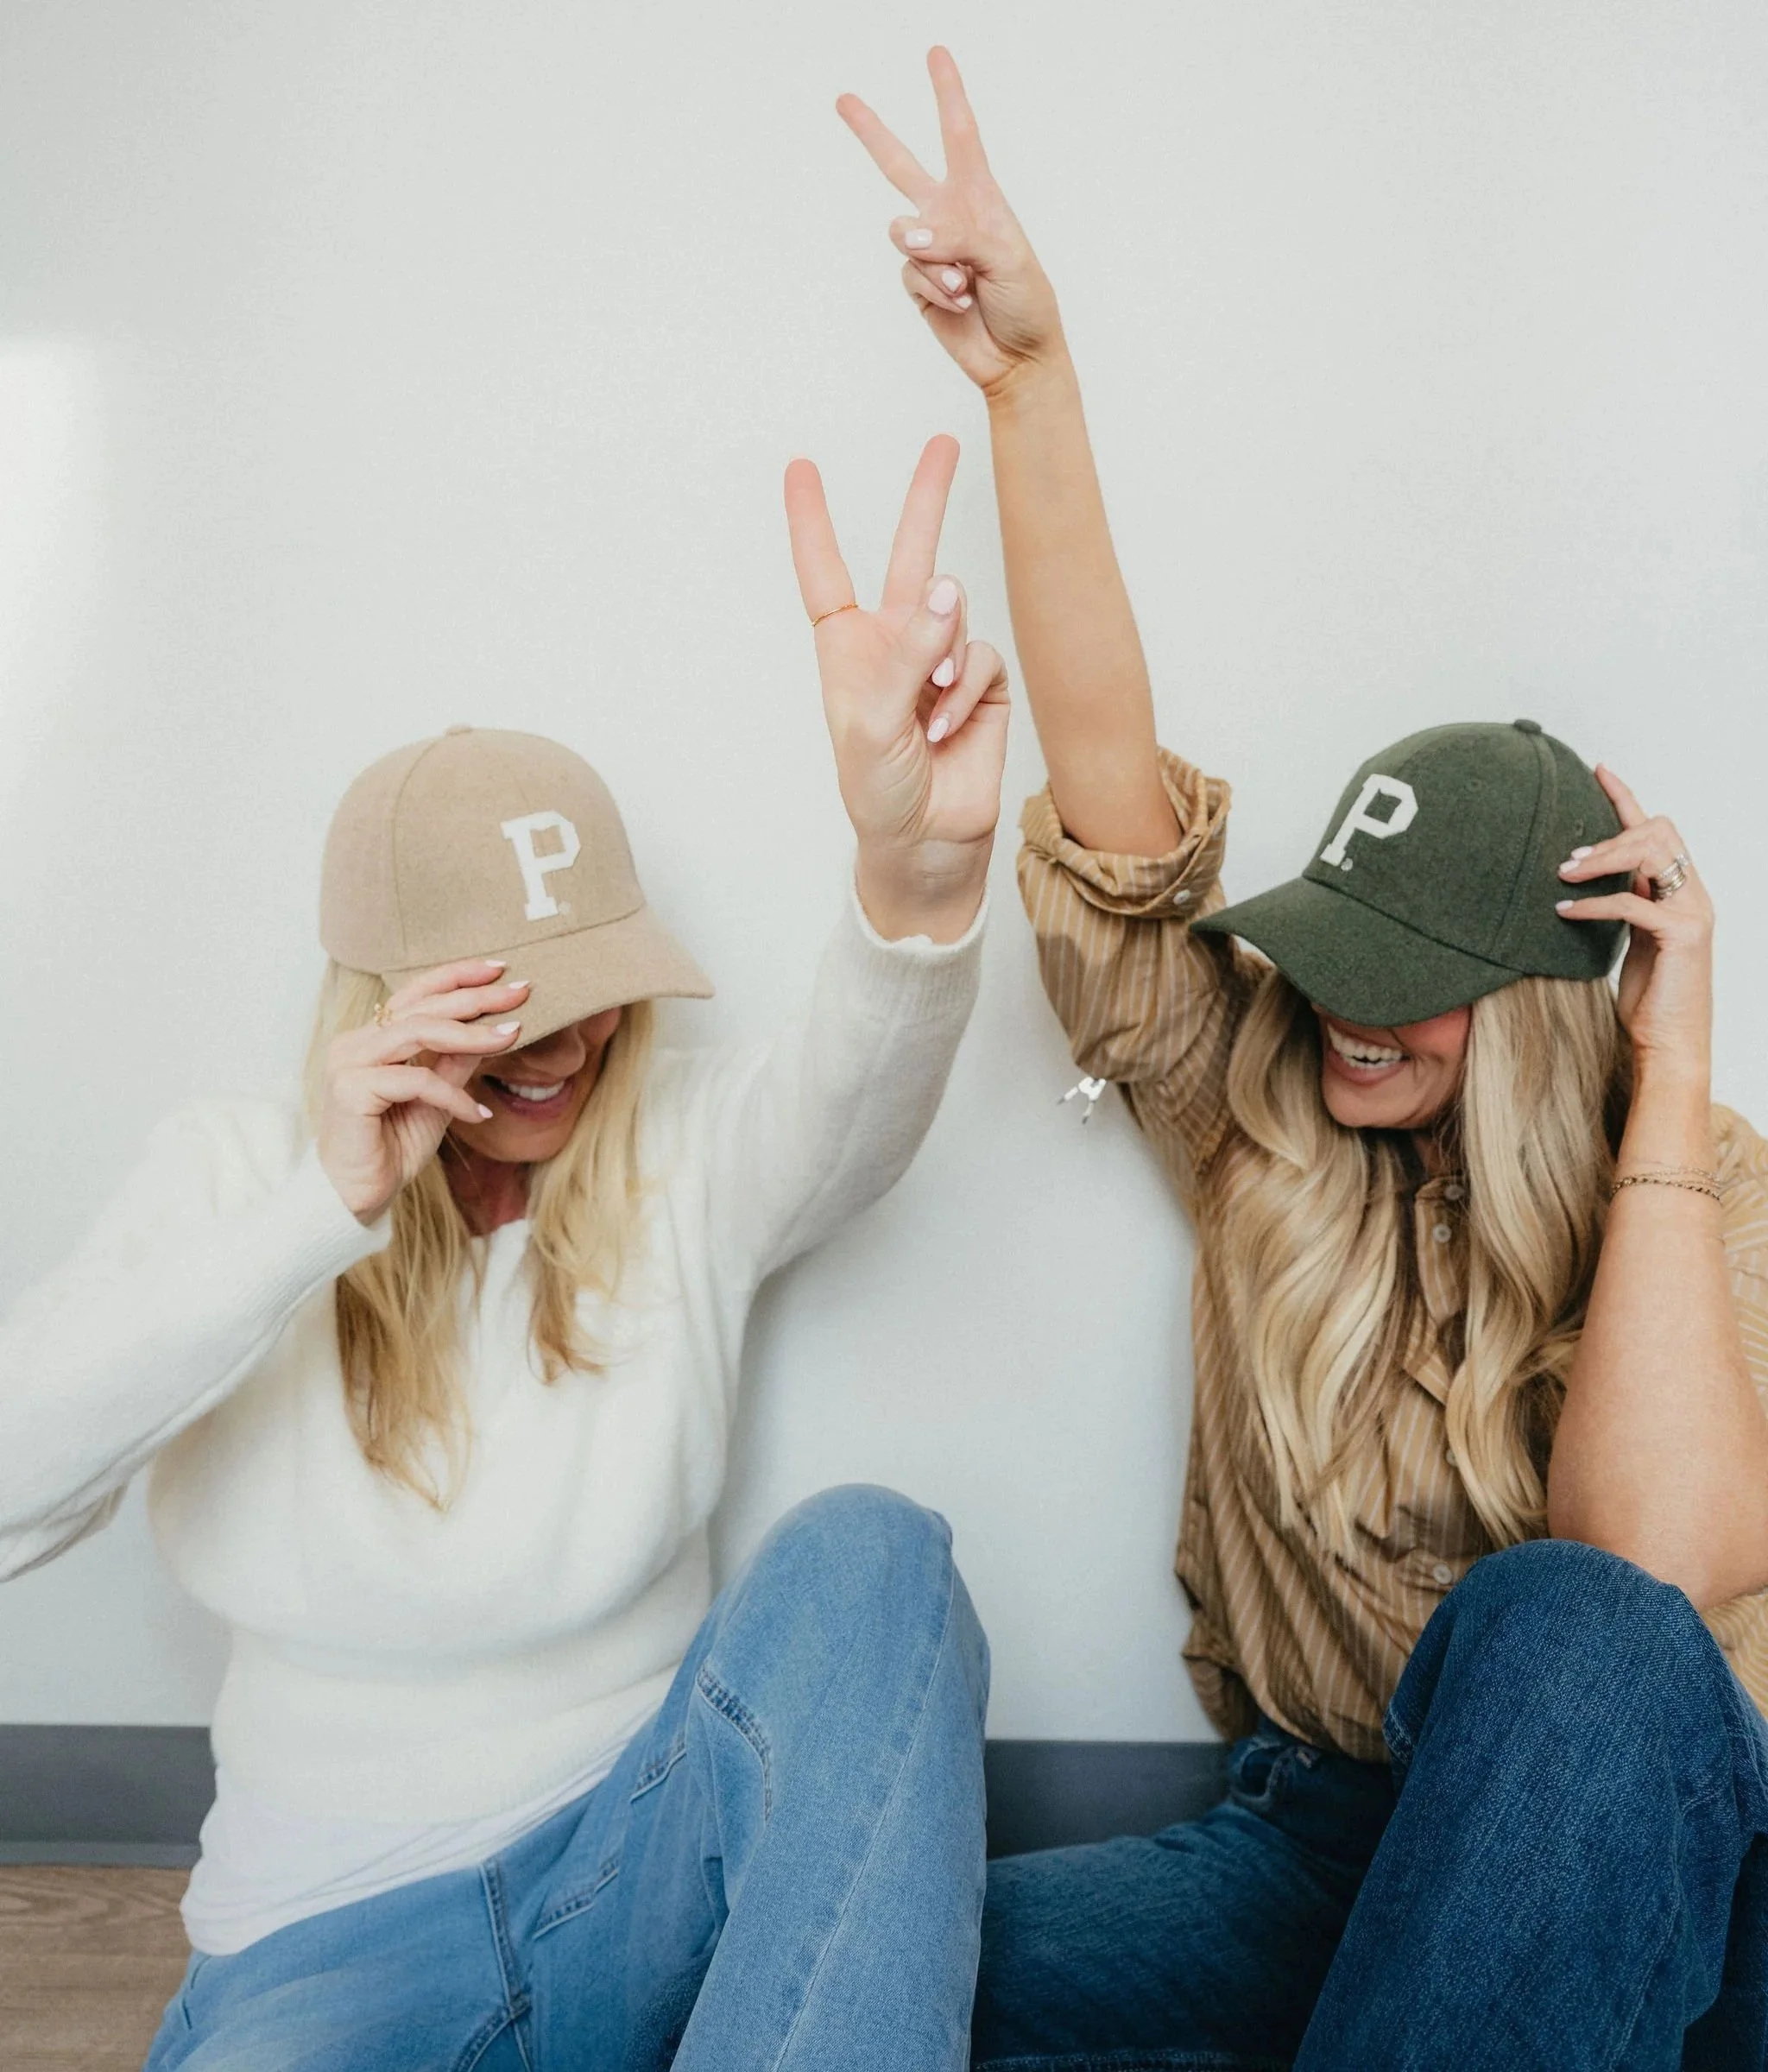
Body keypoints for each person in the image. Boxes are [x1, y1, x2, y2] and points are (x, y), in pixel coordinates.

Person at [842, 51, 1768, 2069]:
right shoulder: (1265, 1112)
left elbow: (1662, 1577)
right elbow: (1107, 796)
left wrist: (1670, 1057)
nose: (1343, 1005)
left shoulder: (1706, 1191)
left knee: (1570, 1627)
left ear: (1540, 1004)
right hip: (1319, 1843)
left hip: (1646, 1850)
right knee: (873, 1980)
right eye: (1333, 949)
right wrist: (1028, 384)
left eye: (1408, 976)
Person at [0, 438, 1007, 2072]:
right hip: (328, 1955)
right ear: (380, 1000)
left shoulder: (676, 1144)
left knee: (876, 1558)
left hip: (646, 1872)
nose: (565, 1043)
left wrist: (923, 864)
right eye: (503, 1004)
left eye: (590, 980)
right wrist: (320, 1211)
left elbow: (859, 1090)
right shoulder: (236, 1176)